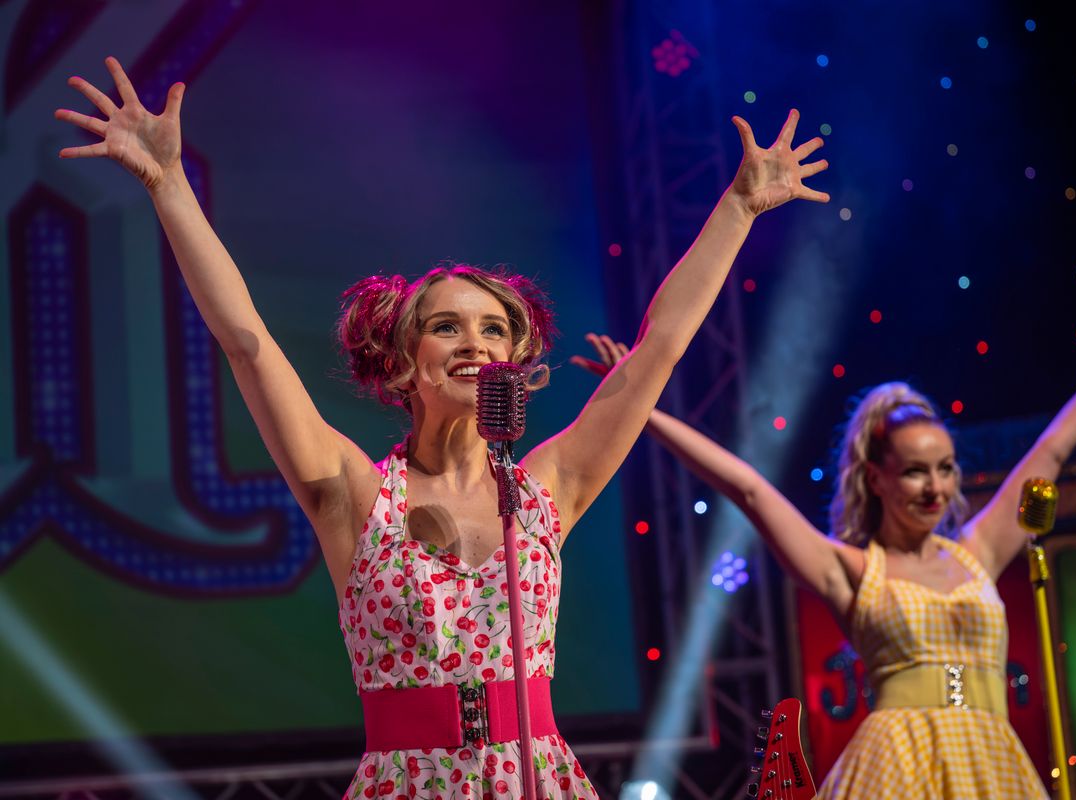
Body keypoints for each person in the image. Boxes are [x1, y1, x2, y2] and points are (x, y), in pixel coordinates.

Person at [55, 57, 830, 799]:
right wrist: (169, 188)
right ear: (402, 363)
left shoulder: (545, 491)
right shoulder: (355, 495)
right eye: (449, 328)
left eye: (494, 329)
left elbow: (657, 349)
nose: (476, 344)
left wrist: (737, 209)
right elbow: (248, 342)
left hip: (538, 779)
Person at [572, 304, 1076, 799]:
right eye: (915, 472)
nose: (936, 487)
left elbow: (1048, 457)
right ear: (876, 478)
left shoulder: (977, 552)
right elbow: (750, 489)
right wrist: (642, 411)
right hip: (899, 764)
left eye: (945, 468)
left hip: (993, 760)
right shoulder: (852, 570)